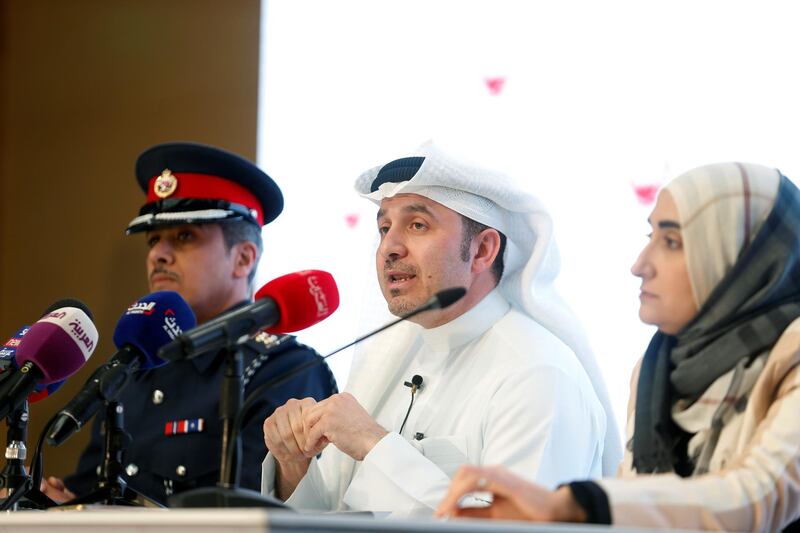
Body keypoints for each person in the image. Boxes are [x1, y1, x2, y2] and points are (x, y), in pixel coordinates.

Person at [260, 142, 622, 517]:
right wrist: (292, 463)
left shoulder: (538, 373)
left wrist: (374, 444)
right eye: (384, 227)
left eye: (417, 225)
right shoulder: (387, 363)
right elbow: (329, 516)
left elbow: (520, 527)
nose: (389, 247)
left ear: (483, 250)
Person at [436, 162, 800, 531]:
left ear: (742, 258)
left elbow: (761, 496)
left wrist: (573, 504)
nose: (640, 265)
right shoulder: (658, 368)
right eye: (651, 238)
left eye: (671, 242)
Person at [41, 142, 337, 505]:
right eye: (153, 240)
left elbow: (259, 514)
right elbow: (89, 492)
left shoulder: (284, 368)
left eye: (184, 237)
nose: (157, 255)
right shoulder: (134, 367)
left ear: (243, 258)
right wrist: (59, 507)